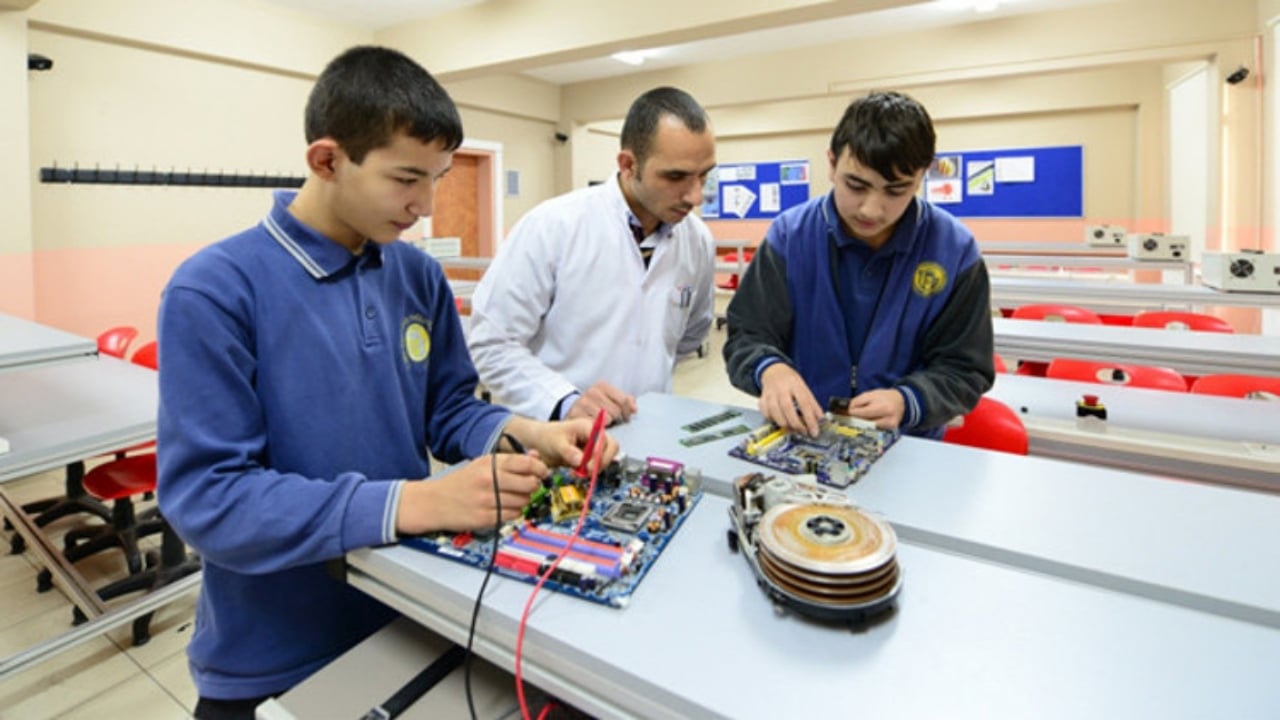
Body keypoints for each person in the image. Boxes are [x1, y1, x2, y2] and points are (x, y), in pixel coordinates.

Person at [155, 46, 616, 718]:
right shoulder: (216, 289)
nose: (425, 206)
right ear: (326, 160)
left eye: (437, 178)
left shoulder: (416, 275)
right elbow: (210, 500)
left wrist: (525, 433)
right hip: (272, 652)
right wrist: (414, 504)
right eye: (406, 179)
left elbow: (448, 410)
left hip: (409, 614)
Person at [723, 90, 993, 439]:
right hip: (806, 436)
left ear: (923, 176)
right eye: (856, 185)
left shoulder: (955, 251)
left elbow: (966, 369)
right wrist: (770, 369)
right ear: (832, 163)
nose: (871, 209)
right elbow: (747, 335)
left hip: (907, 447)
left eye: (896, 191)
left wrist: (908, 401)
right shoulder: (789, 236)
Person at [467, 86, 717, 426]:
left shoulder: (697, 240)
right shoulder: (553, 226)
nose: (695, 195)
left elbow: (690, 334)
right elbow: (492, 343)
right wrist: (565, 401)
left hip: (648, 431)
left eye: (704, 175)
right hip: (557, 437)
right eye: (676, 176)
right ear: (629, 165)